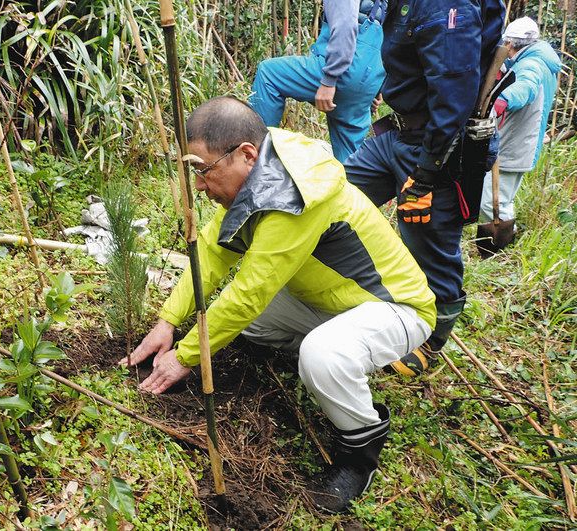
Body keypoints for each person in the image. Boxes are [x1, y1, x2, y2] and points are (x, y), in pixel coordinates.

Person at [121, 97, 436, 512]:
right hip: (330, 301)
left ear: (246, 154)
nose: (199, 185)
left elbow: (248, 291)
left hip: (394, 308)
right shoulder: (260, 176)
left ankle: (361, 449)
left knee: (320, 355)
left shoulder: (295, 196)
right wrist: (167, 320)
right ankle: (326, 366)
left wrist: (185, 357)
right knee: (252, 325)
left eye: (203, 170)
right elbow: (214, 255)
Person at [343, 0, 505, 376]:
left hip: (438, 144)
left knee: (429, 243)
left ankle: (431, 338)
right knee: (338, 195)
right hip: (396, 134)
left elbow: (454, 94)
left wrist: (427, 174)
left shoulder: (446, 4)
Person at [249, 0, 387, 162]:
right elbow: (394, 36)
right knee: (351, 161)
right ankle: (354, 185)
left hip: (345, 69)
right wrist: (378, 87)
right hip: (370, 77)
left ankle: (255, 157)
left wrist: (330, 78)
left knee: (269, 74)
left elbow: (345, 25)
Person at [477, 16, 561, 256]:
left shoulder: (532, 65)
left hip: (516, 143)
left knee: (492, 202)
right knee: (502, 199)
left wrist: (501, 101)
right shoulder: (537, 59)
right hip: (520, 140)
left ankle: (492, 252)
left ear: (513, 45)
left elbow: (525, 88)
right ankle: (500, 250)